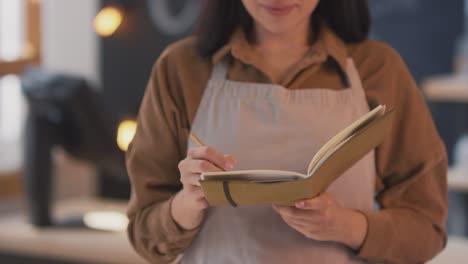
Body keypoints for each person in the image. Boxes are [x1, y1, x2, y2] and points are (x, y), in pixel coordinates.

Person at [126, 0, 448, 263]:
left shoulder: (379, 69)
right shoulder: (181, 69)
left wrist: (345, 226)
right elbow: (144, 235)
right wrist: (187, 203)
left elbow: (427, 229)